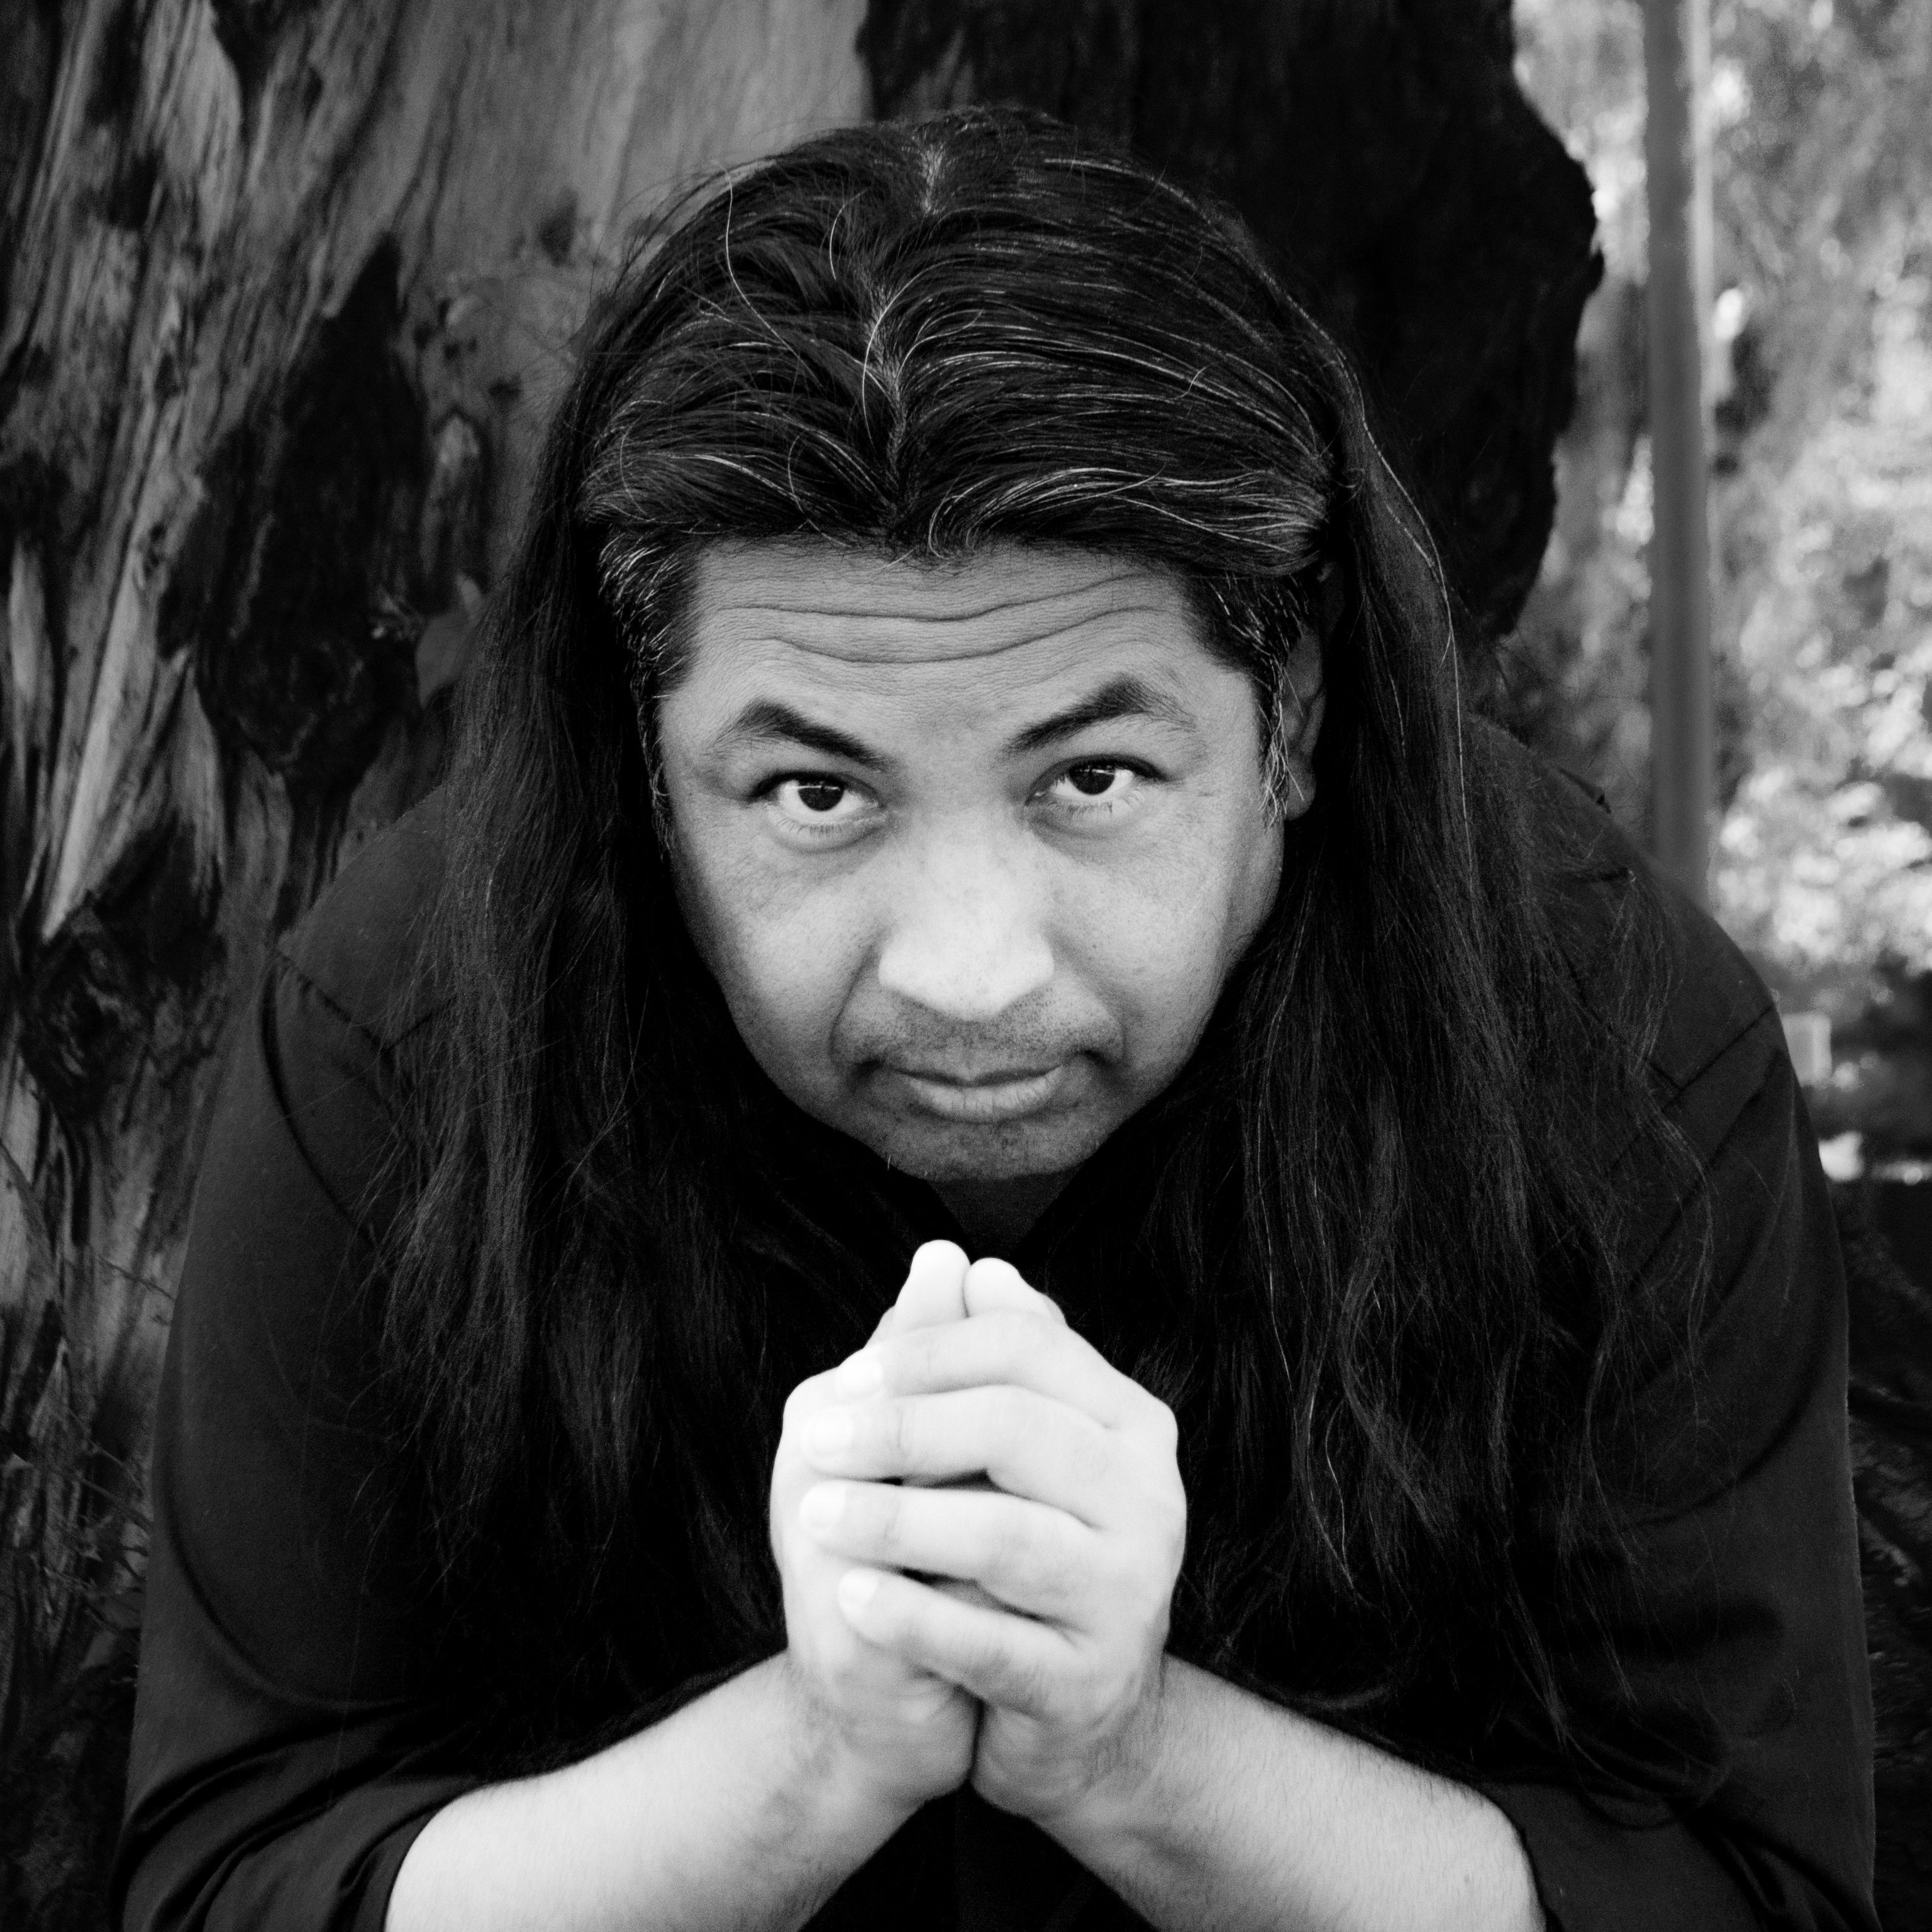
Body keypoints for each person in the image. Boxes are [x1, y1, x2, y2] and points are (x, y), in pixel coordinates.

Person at [114, 109, 1877, 1932]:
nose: (969, 976)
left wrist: (1130, 1755)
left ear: (1292, 717)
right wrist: (816, 1754)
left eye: (1092, 778)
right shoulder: (412, 1036)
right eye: (815, 794)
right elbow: (228, 1875)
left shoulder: (1609, 1043)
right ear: (642, 762)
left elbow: (1755, 1895)